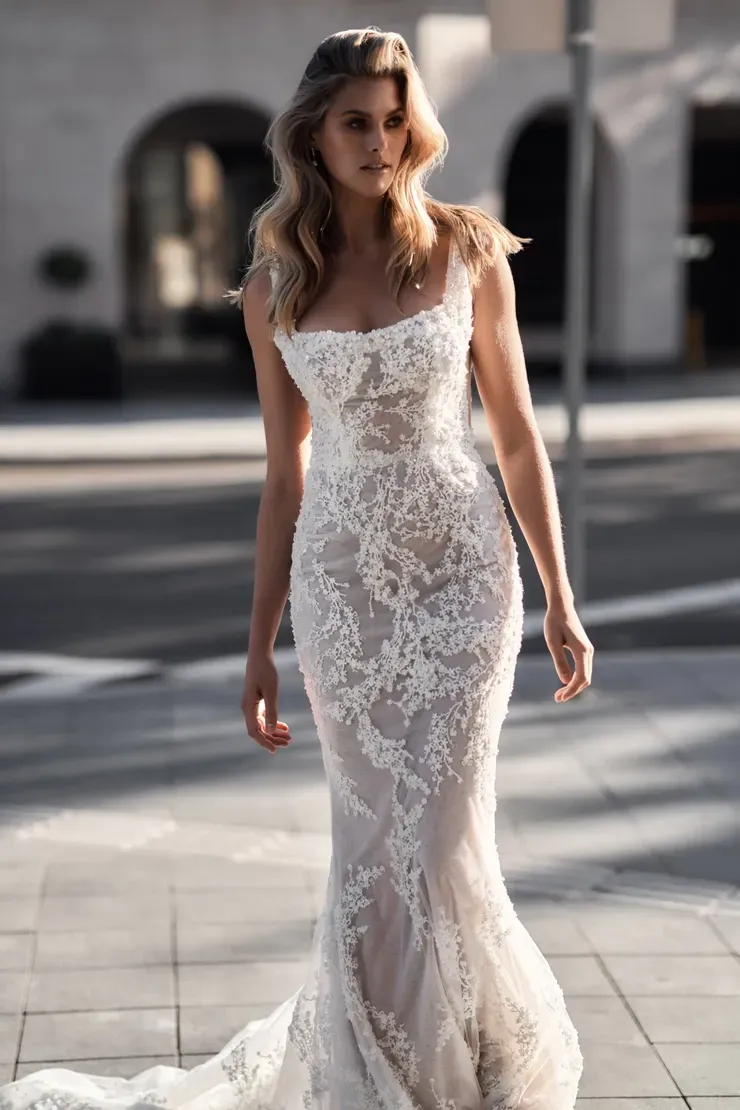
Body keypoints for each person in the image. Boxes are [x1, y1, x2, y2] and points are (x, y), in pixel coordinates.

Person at [0, 26, 591, 1110]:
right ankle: (380, 1071)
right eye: (355, 122)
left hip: (464, 576)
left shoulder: (466, 250)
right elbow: (285, 474)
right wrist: (258, 645)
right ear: (312, 136)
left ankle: (464, 1065)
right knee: (372, 841)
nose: (379, 142)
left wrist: (559, 593)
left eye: (394, 120)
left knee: (445, 830)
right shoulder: (276, 284)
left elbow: (515, 436)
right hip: (343, 589)